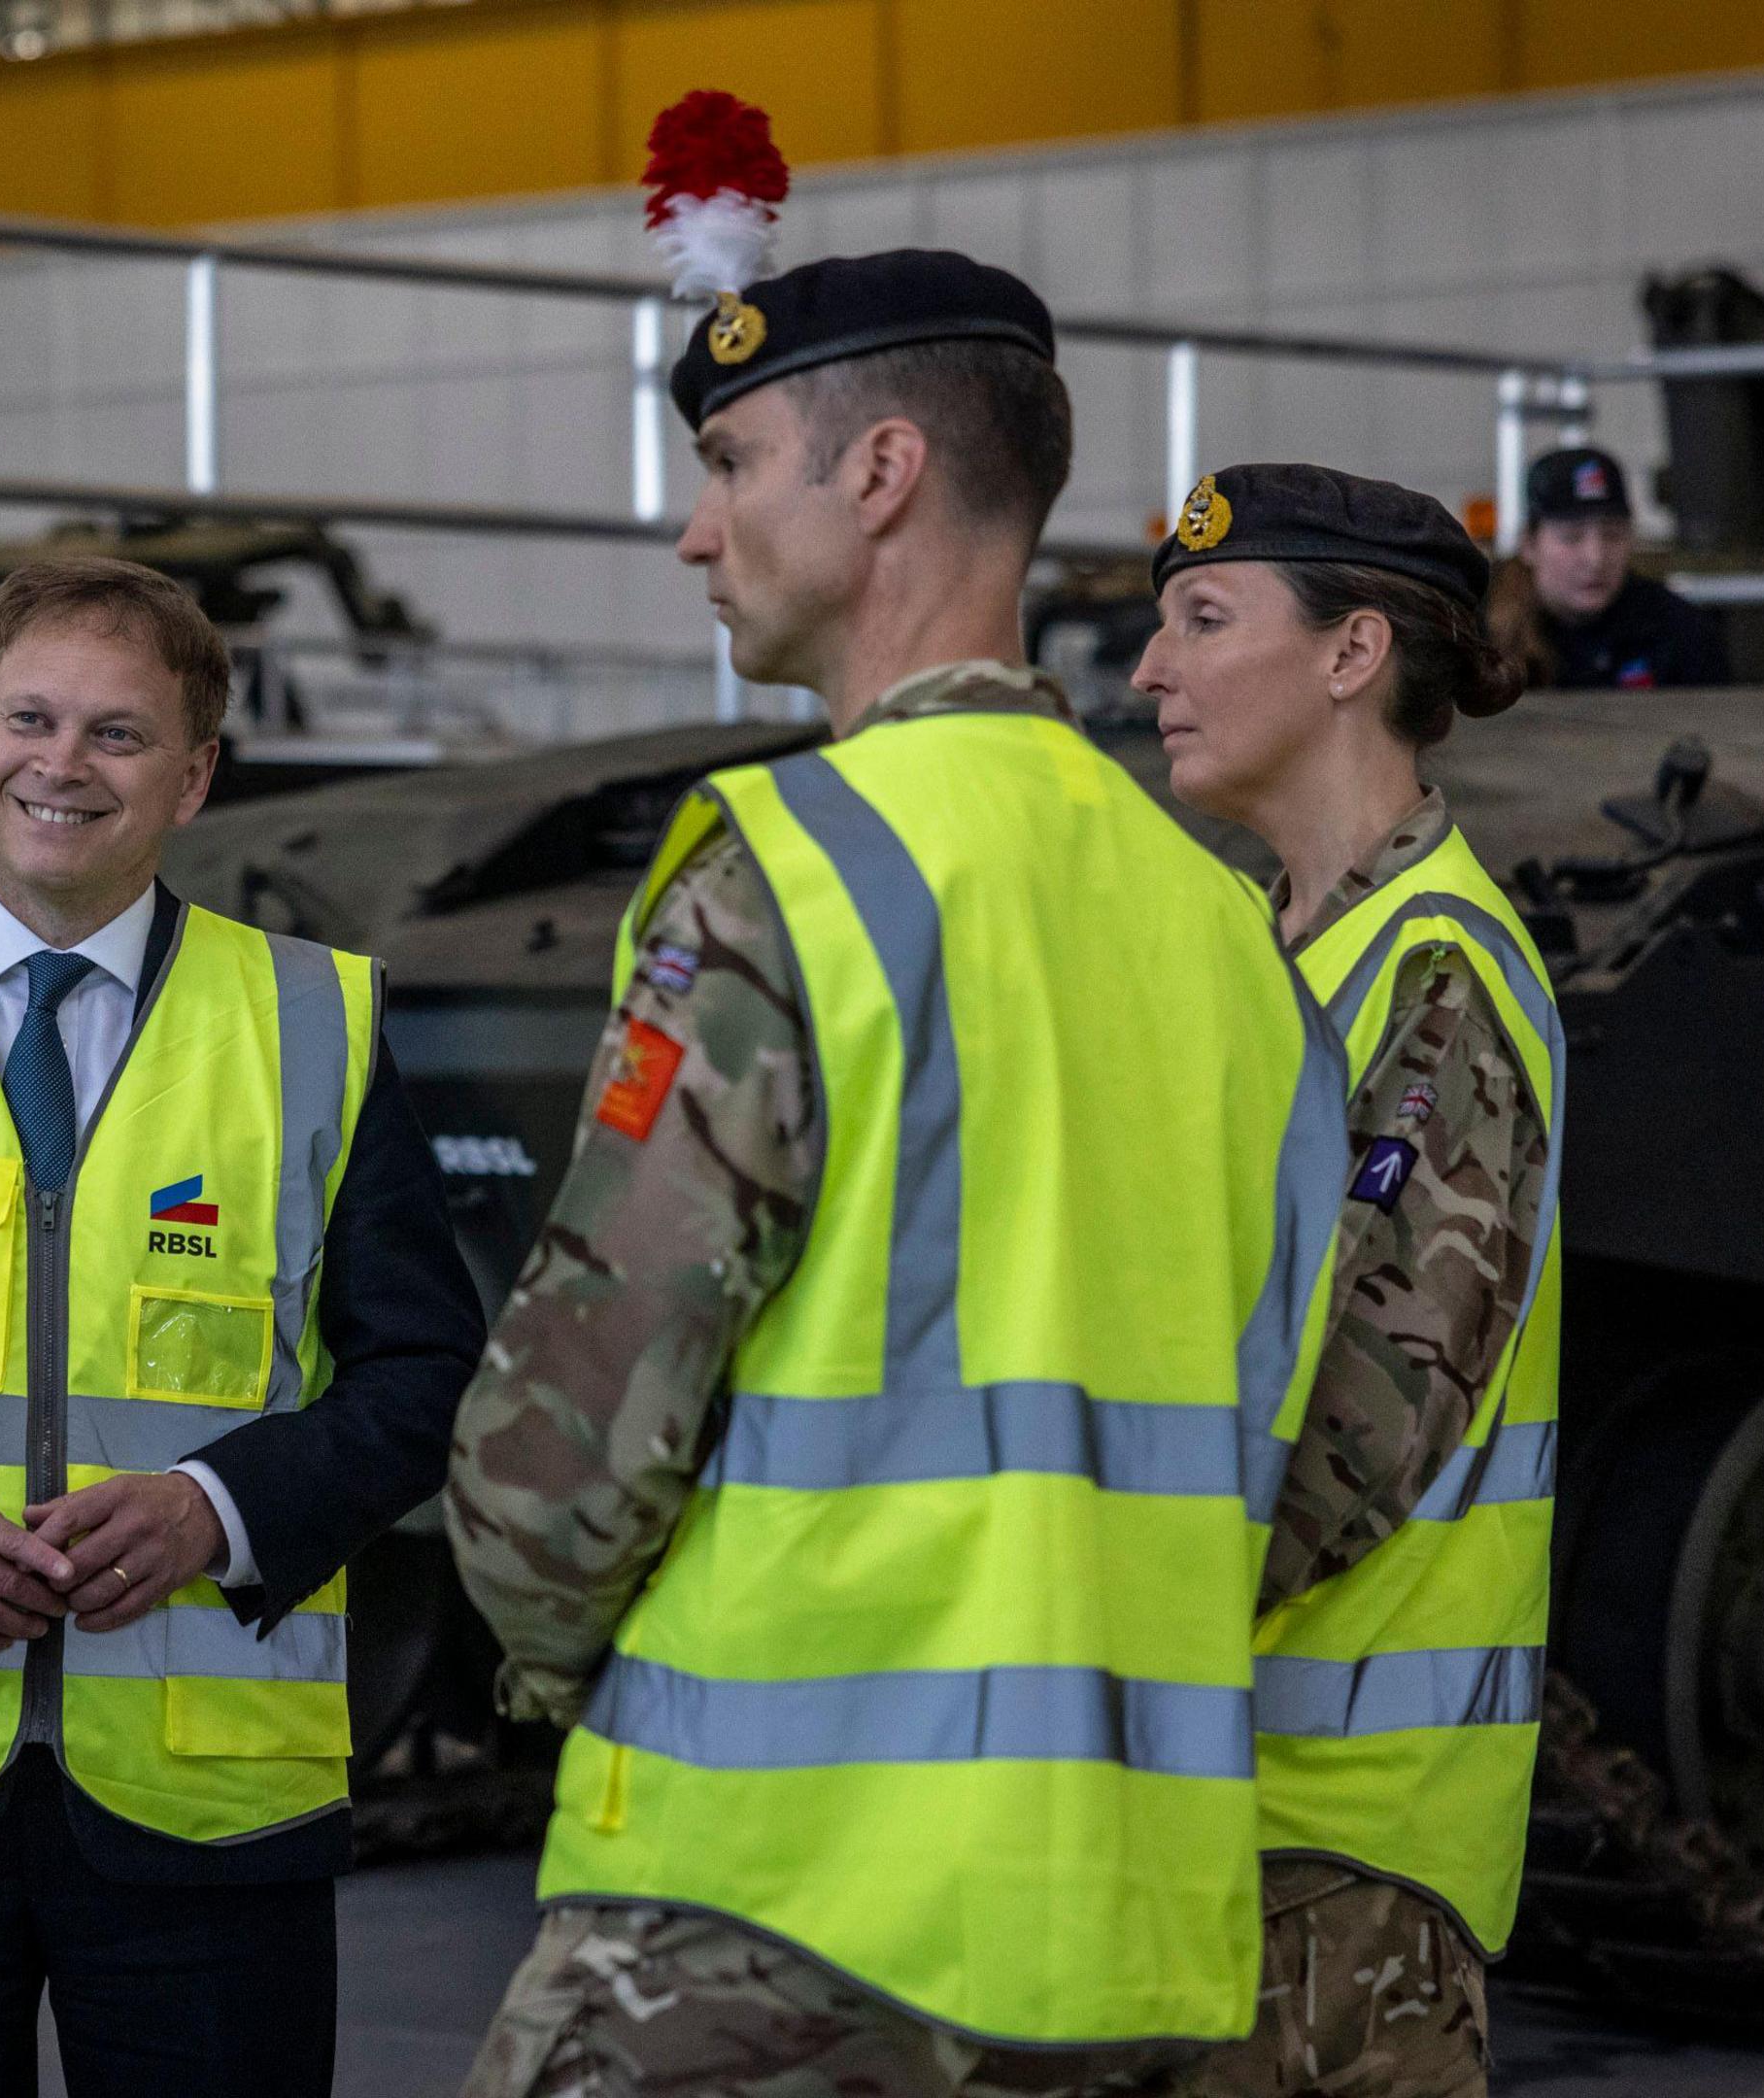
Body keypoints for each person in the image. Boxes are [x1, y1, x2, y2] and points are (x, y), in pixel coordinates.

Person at [446, 247, 1352, 2098]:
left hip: (777, 1926)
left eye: (729, 465)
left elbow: (560, 1464)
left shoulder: (792, 868)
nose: (699, 535)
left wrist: (539, 1656)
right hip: (1135, 1936)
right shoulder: (1230, 930)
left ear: (877, 477)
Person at [0, 555, 487, 2098]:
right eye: (29, 718)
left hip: (206, 1820)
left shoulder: (315, 1023)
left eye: (117, 735)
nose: (60, 766)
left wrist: (220, 1508)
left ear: (196, 775)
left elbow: (426, 1376)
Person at [1132, 463, 1562, 2098]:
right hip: (1225, 1807)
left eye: (1201, 620)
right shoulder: (1271, 951)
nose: (1148, 671)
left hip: (1337, 1859)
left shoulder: (1431, 972)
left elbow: (1360, 1431)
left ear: (1352, 652)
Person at [1515, 444, 1729, 688]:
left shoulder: (1683, 634)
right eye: (1571, 537)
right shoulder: (1486, 638)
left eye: (1613, 535)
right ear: (1529, 544)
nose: (1595, 558)